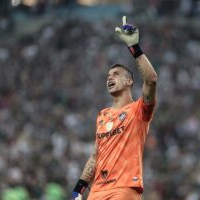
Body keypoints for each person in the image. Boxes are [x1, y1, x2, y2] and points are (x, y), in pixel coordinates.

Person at [72, 16, 158, 200]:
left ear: (129, 81)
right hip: (97, 192)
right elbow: (95, 156)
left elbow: (151, 80)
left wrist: (134, 47)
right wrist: (78, 190)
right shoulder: (102, 115)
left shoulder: (139, 110)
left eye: (116, 74)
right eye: (108, 76)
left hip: (124, 188)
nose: (110, 78)